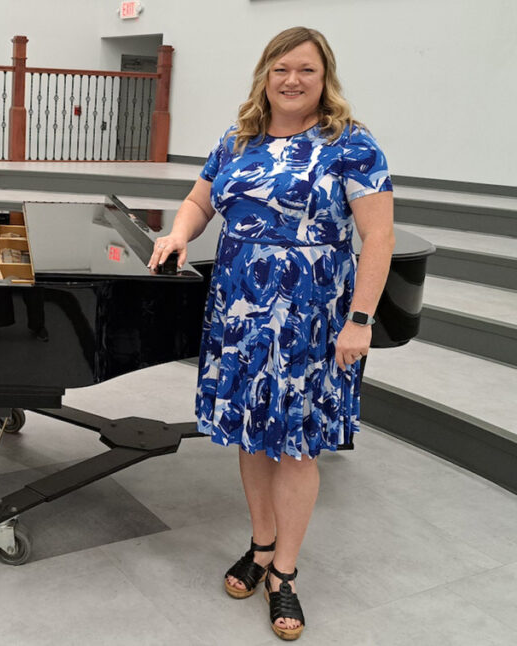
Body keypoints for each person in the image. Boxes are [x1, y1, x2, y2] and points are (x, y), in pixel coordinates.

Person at [148, 27, 394, 641]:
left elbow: (380, 239)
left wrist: (359, 319)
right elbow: (200, 202)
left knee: (297, 446)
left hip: (310, 318)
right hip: (238, 312)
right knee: (253, 435)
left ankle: (284, 573)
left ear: (324, 78)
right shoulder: (237, 140)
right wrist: (180, 232)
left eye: (306, 70)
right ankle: (261, 547)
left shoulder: (352, 144)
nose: (292, 80)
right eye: (282, 68)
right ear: (265, 74)